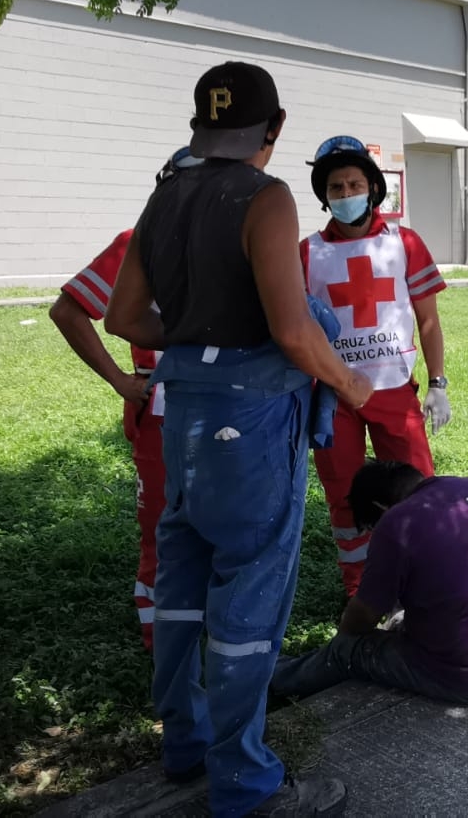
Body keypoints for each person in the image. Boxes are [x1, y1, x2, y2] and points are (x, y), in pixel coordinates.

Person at [104, 61, 372, 818]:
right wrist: (351, 386)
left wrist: (193, 341)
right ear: (273, 129)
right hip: (251, 426)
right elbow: (291, 331)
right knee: (249, 599)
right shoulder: (267, 196)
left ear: (200, 124)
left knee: (182, 588)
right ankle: (247, 783)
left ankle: (182, 742)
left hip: (180, 413)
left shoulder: (162, 195)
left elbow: (122, 317)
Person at [48, 146, 201, 651]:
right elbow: (68, 311)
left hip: (229, 411)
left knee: (221, 525)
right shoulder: (136, 245)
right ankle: (160, 644)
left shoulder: (239, 244)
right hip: (160, 417)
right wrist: (118, 379)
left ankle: (214, 633)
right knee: (161, 527)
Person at [300, 136, 450, 598]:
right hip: (333, 395)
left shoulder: (403, 242)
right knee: (345, 495)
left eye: (354, 184)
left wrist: (438, 384)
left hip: (393, 390)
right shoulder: (306, 252)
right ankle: (361, 592)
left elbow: (427, 320)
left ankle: (426, 582)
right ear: (324, 196)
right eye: (336, 188)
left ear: (374, 188)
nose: (346, 195)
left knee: (413, 488)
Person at [270, 460, 468, 704]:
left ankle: (272, 680)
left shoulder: (398, 522)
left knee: (348, 650)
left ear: (381, 508)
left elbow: (361, 619)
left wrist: (347, 637)